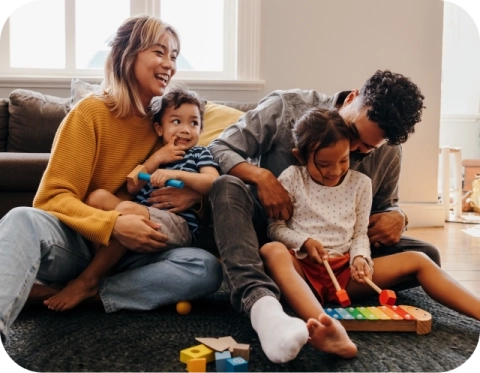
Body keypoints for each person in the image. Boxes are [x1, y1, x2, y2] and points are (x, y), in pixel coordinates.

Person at [0, 16, 223, 343]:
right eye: (159, 52)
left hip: (139, 251)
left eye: (174, 56)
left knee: (205, 268)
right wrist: (111, 224)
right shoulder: (90, 114)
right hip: (80, 243)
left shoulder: (165, 124)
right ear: (128, 54)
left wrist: (195, 198)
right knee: (21, 219)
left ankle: (84, 291)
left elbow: (194, 178)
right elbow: (51, 199)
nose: (169, 64)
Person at [206, 70, 441, 363]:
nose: (353, 150)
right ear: (353, 98)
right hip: (267, 232)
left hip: (338, 253)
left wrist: (399, 216)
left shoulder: (389, 150)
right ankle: (260, 300)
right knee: (226, 187)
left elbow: (384, 206)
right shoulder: (285, 108)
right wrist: (261, 177)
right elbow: (218, 147)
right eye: (353, 134)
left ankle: (311, 287)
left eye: (365, 149)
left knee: (427, 254)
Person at [260, 108, 480, 360]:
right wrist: (305, 242)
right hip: (302, 270)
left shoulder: (361, 184)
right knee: (271, 250)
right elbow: (275, 229)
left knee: (420, 259)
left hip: (344, 274)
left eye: (342, 160)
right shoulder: (291, 178)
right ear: (300, 156)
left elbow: (359, 235)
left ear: (350, 151)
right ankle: (327, 327)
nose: (334, 171)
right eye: (323, 164)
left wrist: (360, 258)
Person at [43, 88, 220, 312]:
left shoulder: (199, 153)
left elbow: (213, 182)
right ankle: (104, 268)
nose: (185, 129)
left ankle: (89, 280)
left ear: (201, 129)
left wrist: (178, 175)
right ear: (159, 128)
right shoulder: (156, 154)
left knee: (127, 209)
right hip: (141, 218)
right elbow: (132, 184)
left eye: (194, 123)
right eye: (176, 121)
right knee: (98, 197)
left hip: (177, 225)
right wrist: (157, 159)